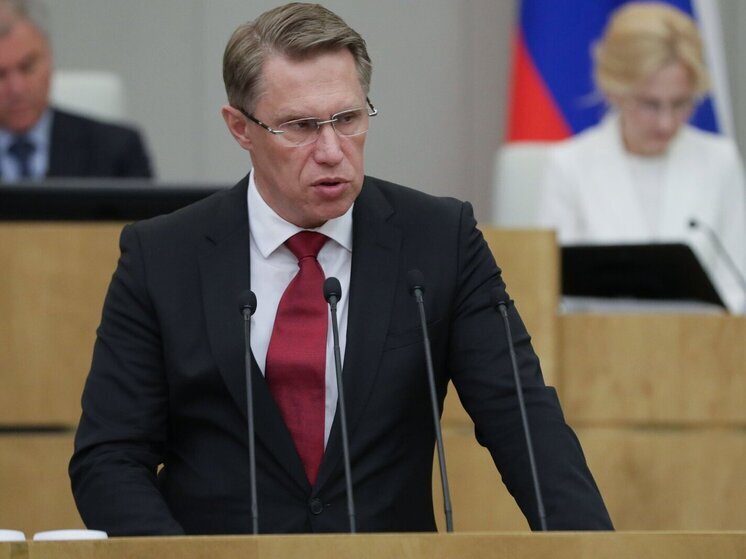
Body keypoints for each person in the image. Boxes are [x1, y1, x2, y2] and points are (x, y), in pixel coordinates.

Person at [69, 2, 612, 535]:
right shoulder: (163, 256)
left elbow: (523, 419)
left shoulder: (438, 239)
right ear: (240, 128)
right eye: (300, 125)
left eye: (347, 119)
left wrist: (592, 552)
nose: (331, 150)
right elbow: (110, 457)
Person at [537, 2, 746, 313]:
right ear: (613, 90)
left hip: (701, 341)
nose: (666, 123)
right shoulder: (568, 166)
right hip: (599, 342)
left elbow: (738, 290)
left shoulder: (720, 161)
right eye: (650, 104)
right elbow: (549, 295)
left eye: (680, 103)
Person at [0, 0, 153, 181]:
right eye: (0, 74)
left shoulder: (117, 150)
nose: (16, 88)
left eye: (27, 67)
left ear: (50, 60)